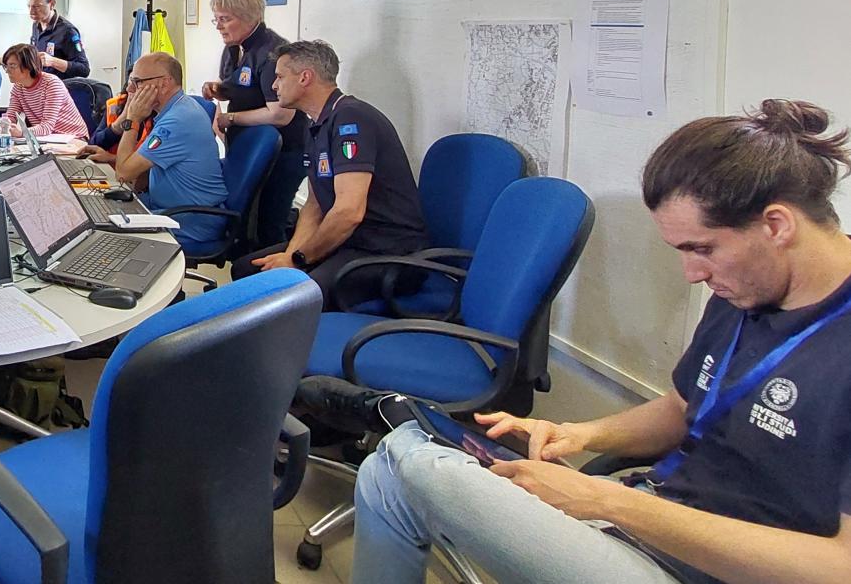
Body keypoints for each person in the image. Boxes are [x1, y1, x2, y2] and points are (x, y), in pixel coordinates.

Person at [352, 99, 851, 584]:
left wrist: (606, 501)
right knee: (390, 466)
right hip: (652, 515)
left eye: (702, 249)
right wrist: (582, 435)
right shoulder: (748, 285)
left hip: (705, 564)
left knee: (408, 459)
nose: (693, 273)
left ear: (777, 225)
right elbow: (683, 409)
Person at [231, 40, 427, 304]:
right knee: (247, 269)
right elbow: (315, 204)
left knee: (296, 297)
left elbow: (348, 213)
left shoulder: (352, 120)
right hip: (349, 242)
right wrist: (292, 255)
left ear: (305, 78)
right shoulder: (316, 122)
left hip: (387, 252)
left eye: (279, 77)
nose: (274, 85)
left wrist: (299, 260)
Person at [201, 0, 308, 248]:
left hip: (284, 150)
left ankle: (282, 283)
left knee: (269, 225)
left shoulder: (275, 53)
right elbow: (243, 87)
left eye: (225, 19)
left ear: (249, 17)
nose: (219, 27)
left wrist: (232, 118)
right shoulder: (233, 48)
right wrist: (220, 90)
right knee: (246, 222)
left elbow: (280, 114)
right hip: (248, 146)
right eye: (216, 19)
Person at [110, 53, 228, 252]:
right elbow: (142, 161)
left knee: (105, 234)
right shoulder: (176, 109)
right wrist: (109, 157)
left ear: (164, 84)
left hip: (190, 219)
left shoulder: (178, 120)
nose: (130, 90)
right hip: (173, 208)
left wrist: (133, 119)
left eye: (137, 82)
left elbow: (124, 173)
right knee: (101, 210)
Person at [0, 43, 89, 142]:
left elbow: (47, 126)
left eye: (12, 66)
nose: (7, 71)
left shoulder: (51, 83)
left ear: (28, 66)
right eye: (6, 66)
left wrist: (22, 132)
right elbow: (11, 116)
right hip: (48, 138)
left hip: (74, 137)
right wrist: (1, 126)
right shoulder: (18, 86)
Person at [25, 0, 90, 79]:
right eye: (29, 6)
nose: (31, 11)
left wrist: (52, 61)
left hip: (60, 90)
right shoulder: (36, 25)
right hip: (41, 87)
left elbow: (84, 69)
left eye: (37, 6)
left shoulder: (68, 31)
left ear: (52, 4)